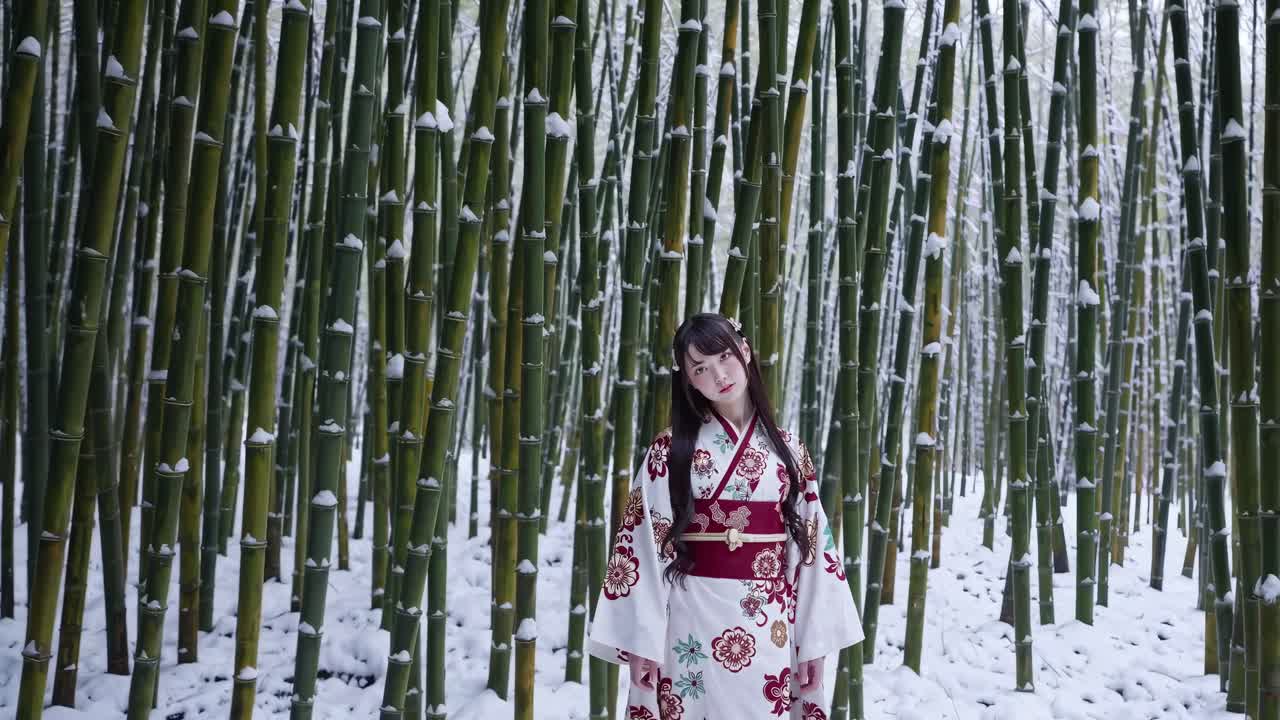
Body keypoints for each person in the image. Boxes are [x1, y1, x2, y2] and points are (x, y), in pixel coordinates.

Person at [587, 313, 863, 719]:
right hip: (689, 617)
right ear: (688, 380)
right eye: (700, 368)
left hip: (767, 619)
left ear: (745, 351)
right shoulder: (669, 451)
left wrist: (814, 640)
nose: (718, 375)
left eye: (723, 357)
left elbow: (812, 548)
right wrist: (641, 641)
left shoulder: (788, 450)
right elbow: (641, 545)